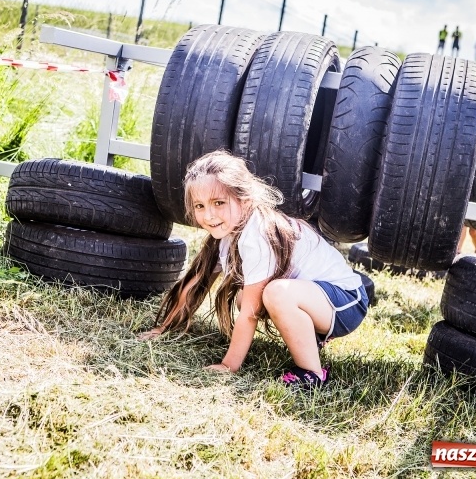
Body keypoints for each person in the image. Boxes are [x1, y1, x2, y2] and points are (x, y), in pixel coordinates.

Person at [138, 150, 368, 389]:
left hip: (347, 302)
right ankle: (310, 337)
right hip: (320, 299)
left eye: (219, 203)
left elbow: (250, 313)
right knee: (244, 297)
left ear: (245, 199)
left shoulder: (257, 234)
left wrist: (229, 365)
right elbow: (198, 282)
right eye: (200, 205)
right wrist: (162, 327)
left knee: (274, 294)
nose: (209, 215)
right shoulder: (227, 233)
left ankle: (312, 373)